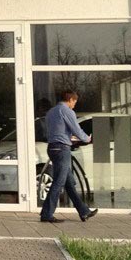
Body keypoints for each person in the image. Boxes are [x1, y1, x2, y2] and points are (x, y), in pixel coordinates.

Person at [40, 90, 98, 223]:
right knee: (58, 182)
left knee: (69, 183)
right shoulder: (67, 111)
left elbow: (57, 131)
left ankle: (84, 212)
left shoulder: (51, 112)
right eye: (74, 102)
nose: (74, 105)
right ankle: (47, 214)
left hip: (52, 147)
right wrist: (87, 139)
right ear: (70, 99)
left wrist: (69, 138)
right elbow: (76, 129)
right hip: (62, 149)